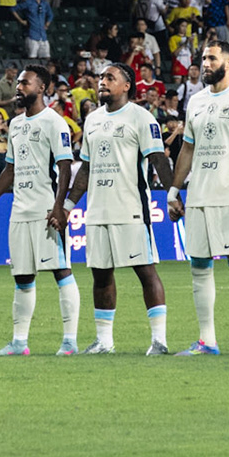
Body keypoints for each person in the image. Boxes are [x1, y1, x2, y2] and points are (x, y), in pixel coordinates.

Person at [167, 40, 229, 356]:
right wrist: (174, 191)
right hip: (198, 196)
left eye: (212, 58)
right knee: (199, 267)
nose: (205, 63)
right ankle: (207, 341)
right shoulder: (195, 101)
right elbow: (187, 149)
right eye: (203, 58)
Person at [68, 64, 172, 355]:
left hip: (131, 208)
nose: (102, 82)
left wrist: (173, 194)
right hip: (97, 209)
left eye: (110, 78)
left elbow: (158, 159)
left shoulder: (141, 117)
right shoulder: (92, 119)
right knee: (100, 275)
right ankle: (104, 342)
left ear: (127, 85)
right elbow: (86, 168)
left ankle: (159, 341)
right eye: (101, 78)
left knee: (145, 271)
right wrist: (67, 205)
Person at [0, 66, 80, 356]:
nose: (19, 87)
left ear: (42, 88)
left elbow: (64, 167)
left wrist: (60, 207)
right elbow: (10, 170)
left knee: (61, 271)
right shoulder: (16, 124)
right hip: (19, 211)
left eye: (25, 83)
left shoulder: (54, 122)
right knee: (22, 278)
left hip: (46, 210)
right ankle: (19, 342)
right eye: (19, 82)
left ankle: (70, 341)